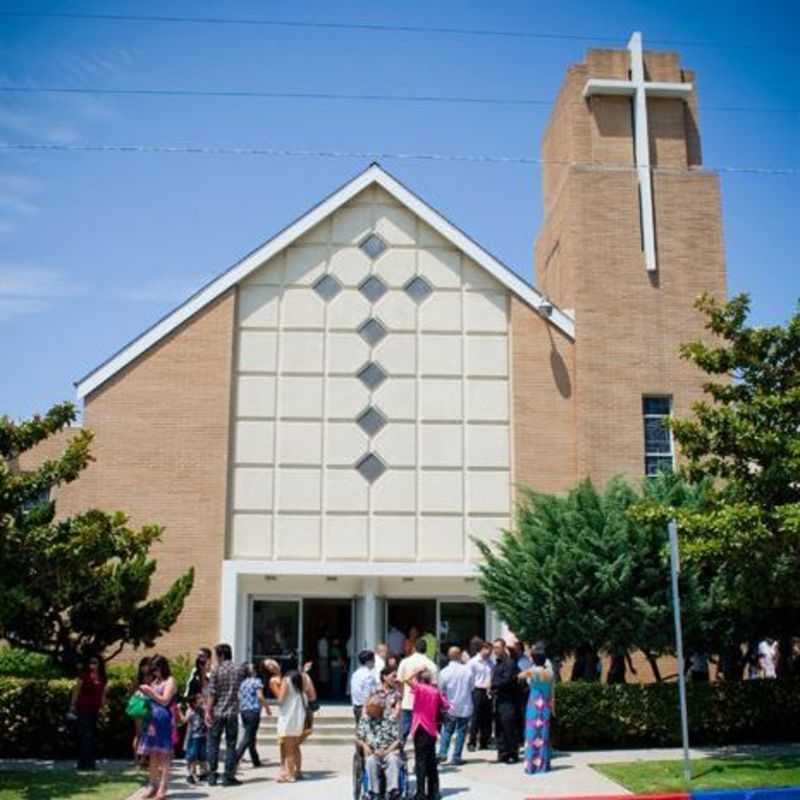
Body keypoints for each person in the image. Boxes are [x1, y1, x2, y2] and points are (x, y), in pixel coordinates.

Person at [265, 660, 317, 783]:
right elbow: (313, 696)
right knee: (295, 746)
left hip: (288, 716)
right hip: (300, 715)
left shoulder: (287, 680)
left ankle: (290, 775)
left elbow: (281, 699)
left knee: (288, 748)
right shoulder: (304, 678)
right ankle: (298, 771)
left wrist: (274, 694)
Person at [205, 643, 246, 787]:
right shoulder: (238, 670)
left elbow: (212, 693)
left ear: (222, 655)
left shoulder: (216, 670)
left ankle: (212, 776)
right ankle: (228, 776)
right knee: (231, 745)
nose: (216, 658)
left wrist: (207, 711)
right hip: (232, 713)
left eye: (217, 655)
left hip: (217, 712)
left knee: (213, 744)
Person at [137, 654, 177, 799]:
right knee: (153, 755)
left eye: (156, 669)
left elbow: (165, 700)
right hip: (152, 722)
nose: (154, 673)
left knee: (164, 755)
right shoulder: (155, 681)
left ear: (162, 667)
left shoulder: (170, 680)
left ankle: (163, 787)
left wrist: (150, 692)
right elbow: (151, 699)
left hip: (164, 721)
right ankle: (153, 785)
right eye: (152, 670)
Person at [409, 668, 449, 800]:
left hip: (420, 727)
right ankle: (434, 791)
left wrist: (417, 671)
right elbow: (446, 705)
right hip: (431, 729)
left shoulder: (420, 688)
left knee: (420, 762)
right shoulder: (435, 691)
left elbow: (407, 680)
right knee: (431, 761)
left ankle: (420, 793)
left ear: (420, 679)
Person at [356, 694, 403, 800]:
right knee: (371, 761)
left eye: (372, 710)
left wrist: (386, 751)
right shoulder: (365, 719)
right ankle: (374, 792)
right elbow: (358, 738)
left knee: (393, 759)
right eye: (368, 709)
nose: (369, 712)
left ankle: (392, 790)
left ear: (380, 709)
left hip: (388, 750)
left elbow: (397, 740)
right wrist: (365, 746)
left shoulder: (390, 719)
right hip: (372, 751)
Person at [519, 643, 555, 775]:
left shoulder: (532, 671)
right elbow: (552, 691)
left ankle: (532, 765)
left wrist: (531, 668)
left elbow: (520, 675)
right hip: (545, 704)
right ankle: (543, 764)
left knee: (532, 734)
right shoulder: (550, 672)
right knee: (543, 734)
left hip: (534, 704)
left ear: (534, 659)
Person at [437, 646, 474, 765]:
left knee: (447, 731)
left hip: (450, 706)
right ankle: (456, 756)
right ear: (459, 656)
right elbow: (472, 687)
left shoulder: (444, 672)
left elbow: (440, 690)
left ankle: (443, 753)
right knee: (461, 732)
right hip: (465, 705)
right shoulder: (467, 670)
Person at [397, 638, 438, 741]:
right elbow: (434, 686)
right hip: (424, 704)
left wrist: (401, 696)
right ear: (426, 649)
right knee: (423, 730)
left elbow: (399, 681)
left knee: (404, 729)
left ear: (414, 648)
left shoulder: (405, 662)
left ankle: (400, 749)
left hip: (408, 701)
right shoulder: (431, 664)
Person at [70, 655, 107, 771]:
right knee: (85, 736)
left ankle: (90, 763)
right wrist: (72, 705)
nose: (93, 665)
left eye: (95, 663)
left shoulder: (102, 677)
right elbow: (76, 690)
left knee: (92, 736)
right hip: (83, 708)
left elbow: (103, 693)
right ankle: (83, 763)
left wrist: (103, 707)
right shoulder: (83, 676)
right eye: (91, 662)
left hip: (94, 709)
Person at [235, 661, 271, 768]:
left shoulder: (243, 683)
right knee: (248, 737)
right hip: (253, 712)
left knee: (251, 736)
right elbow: (260, 696)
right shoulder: (257, 682)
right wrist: (267, 708)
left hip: (244, 711)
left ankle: (255, 760)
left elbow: (239, 697)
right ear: (254, 672)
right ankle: (235, 759)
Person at [491, 638, 520, 764]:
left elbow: (507, 680)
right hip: (499, 700)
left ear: (503, 648)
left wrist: (493, 685)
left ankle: (513, 754)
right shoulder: (497, 664)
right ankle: (502, 753)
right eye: (494, 648)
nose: (495, 650)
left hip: (508, 700)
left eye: (497, 647)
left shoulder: (509, 663)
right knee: (499, 728)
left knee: (509, 727)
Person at [467, 641, 493, 752]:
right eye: (487, 650)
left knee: (487, 718)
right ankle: (472, 742)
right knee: (476, 718)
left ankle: (484, 742)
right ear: (482, 649)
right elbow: (469, 678)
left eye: (490, 651)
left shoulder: (491, 663)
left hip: (488, 691)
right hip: (477, 690)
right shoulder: (473, 662)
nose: (489, 653)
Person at [182, 692, 208, 785]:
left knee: (203, 755)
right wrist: (178, 711)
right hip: (193, 737)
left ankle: (203, 773)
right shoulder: (190, 711)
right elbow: (184, 720)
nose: (200, 700)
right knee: (192, 756)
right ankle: (191, 774)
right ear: (192, 703)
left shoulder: (202, 709)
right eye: (198, 699)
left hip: (202, 736)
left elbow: (207, 718)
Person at [129, 657, 151, 763]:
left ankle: (143, 758)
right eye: (144, 664)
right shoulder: (140, 678)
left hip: (144, 704)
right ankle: (138, 758)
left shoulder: (143, 678)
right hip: (141, 705)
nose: (146, 667)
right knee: (140, 733)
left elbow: (131, 693)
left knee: (144, 733)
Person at [351, 650, 379, 723]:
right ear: (368, 661)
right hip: (366, 708)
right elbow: (368, 695)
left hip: (356, 707)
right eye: (373, 660)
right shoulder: (368, 676)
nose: (375, 662)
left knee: (360, 731)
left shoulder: (356, 673)